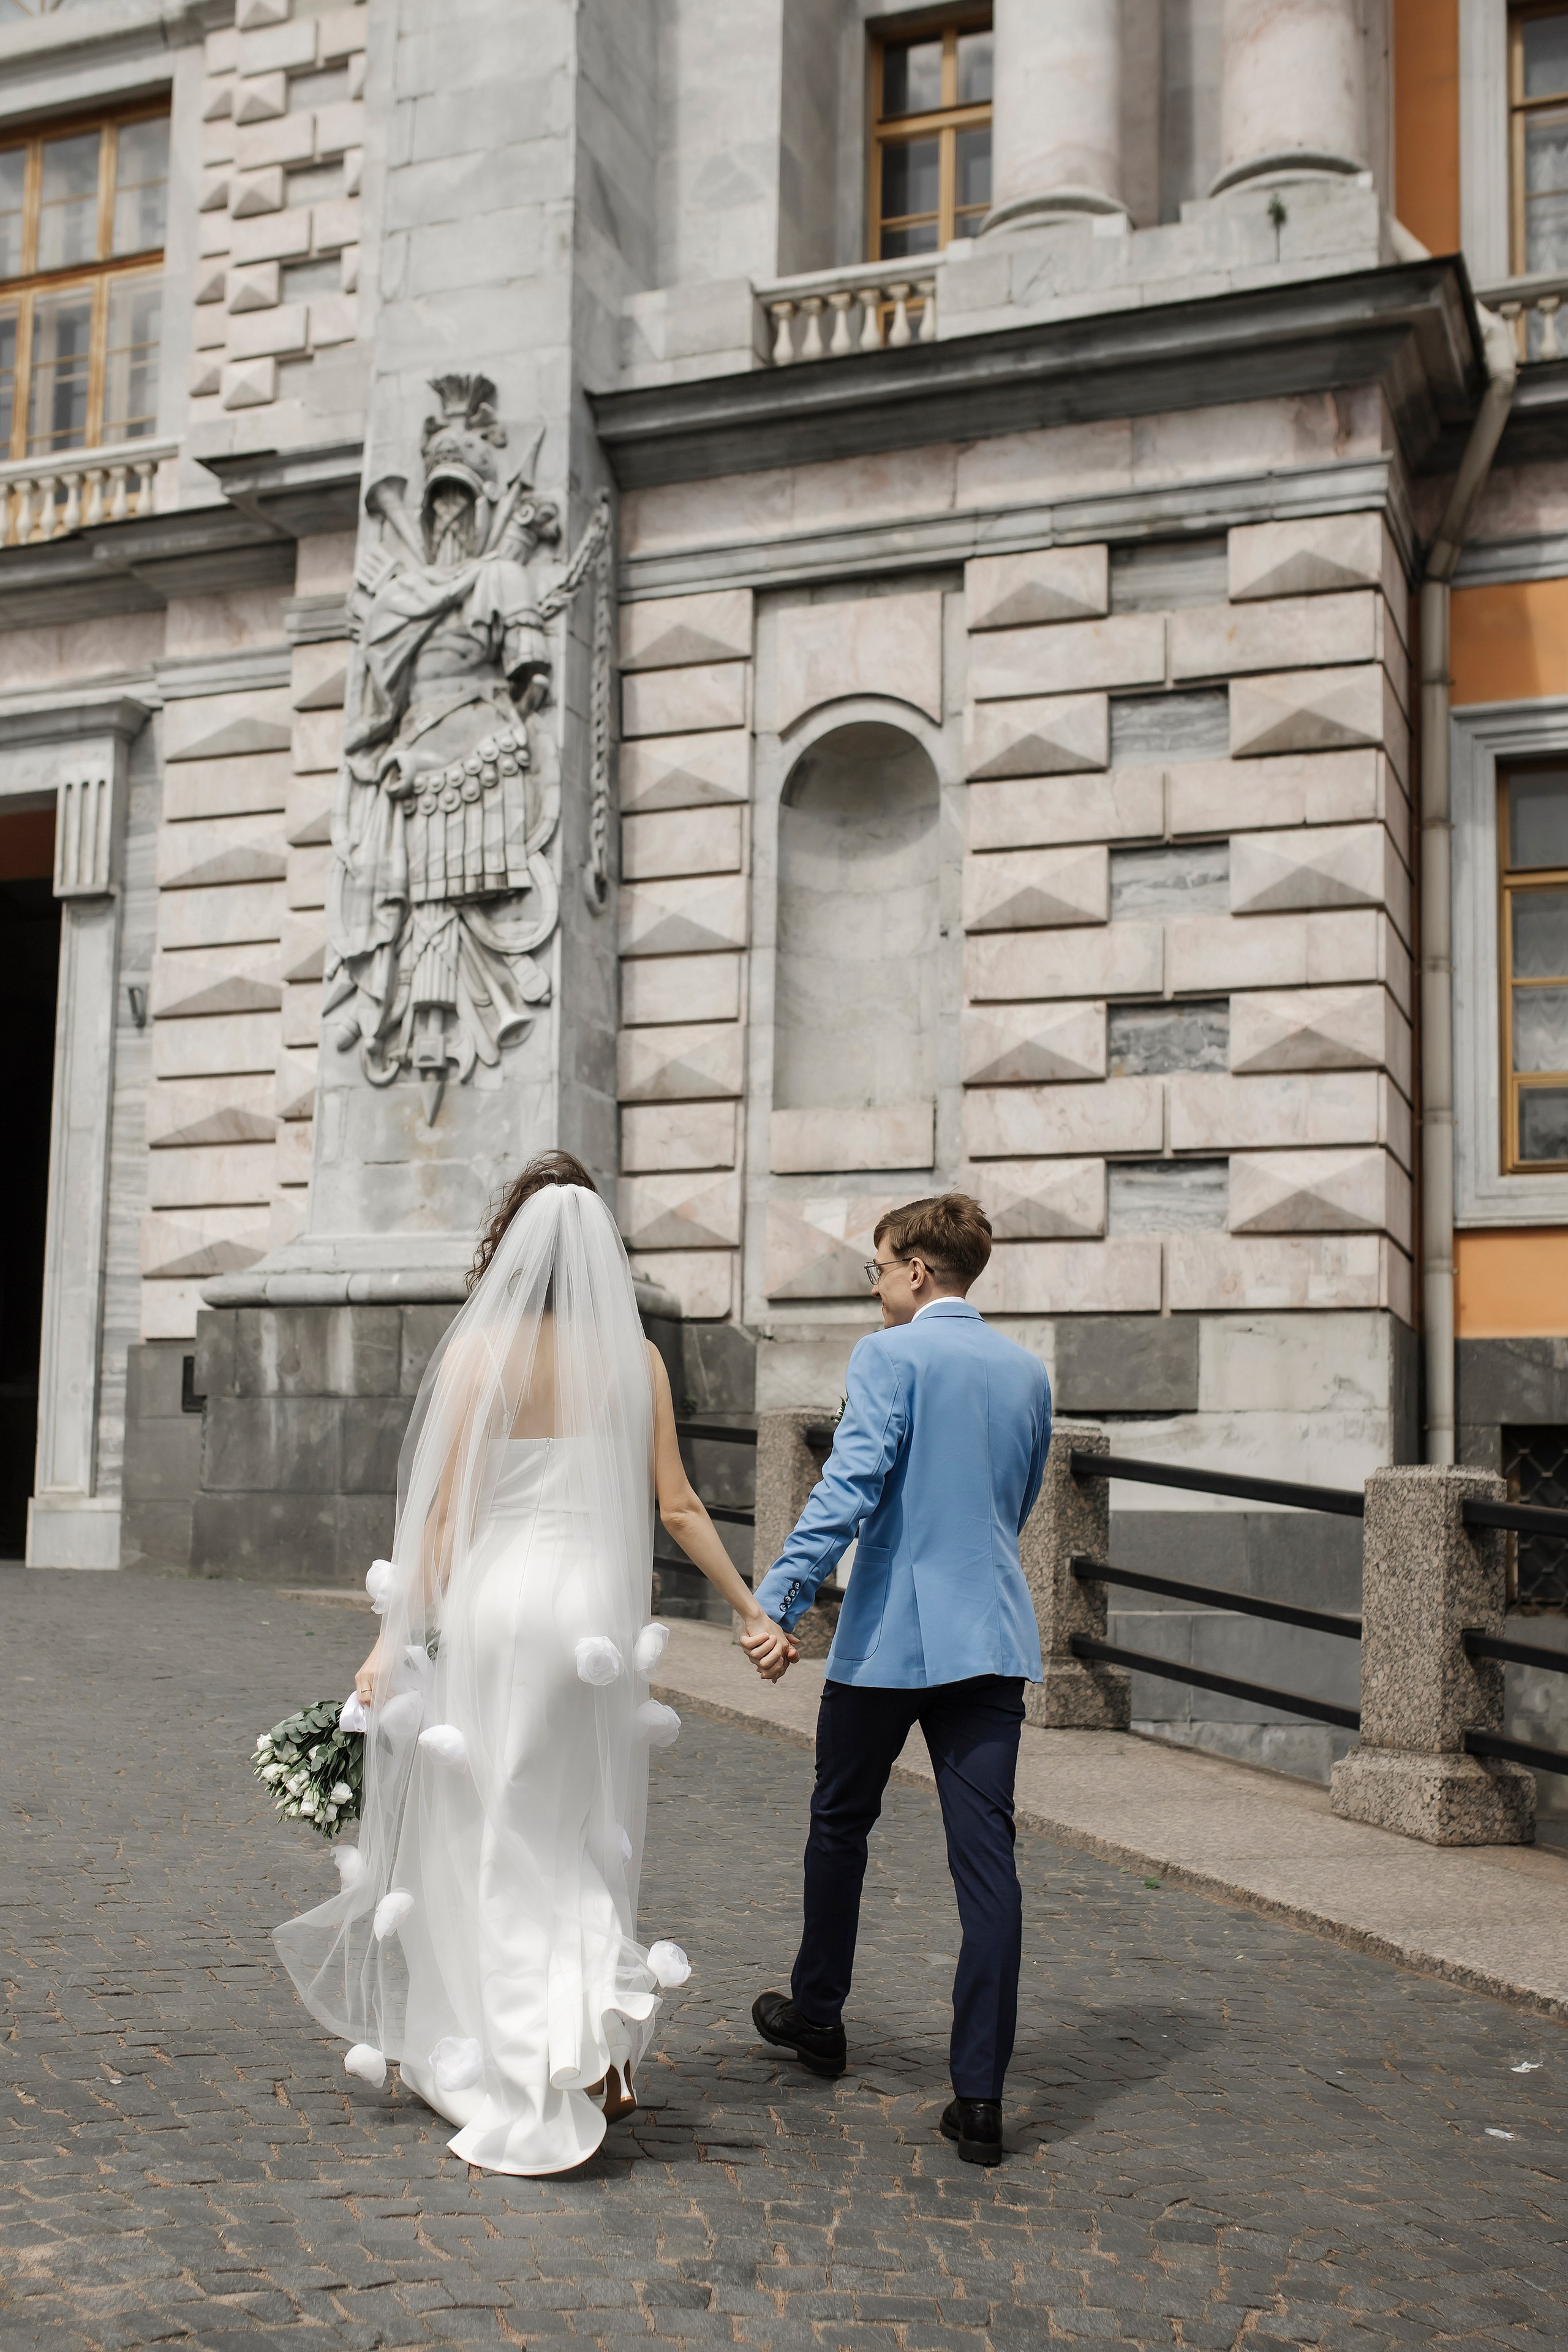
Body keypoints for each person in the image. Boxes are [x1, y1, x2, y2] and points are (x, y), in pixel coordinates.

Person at [273, 1151, 794, 2176]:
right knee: (568, 1831)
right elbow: (679, 1506)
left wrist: (388, 1639)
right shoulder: (636, 1360)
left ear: (509, 1247)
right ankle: (595, 2025)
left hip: (500, 1611)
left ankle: (529, 2070)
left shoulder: (485, 1353)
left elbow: (441, 1515)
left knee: (498, 1834)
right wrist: (752, 1610)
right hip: (589, 1627)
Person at [742, 1193, 1050, 2166]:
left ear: (919, 1271)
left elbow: (851, 1482)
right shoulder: (1028, 1373)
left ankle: (820, 2014)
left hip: (891, 1641)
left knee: (840, 1822)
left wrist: (781, 1600)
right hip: (991, 1639)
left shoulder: (891, 1356)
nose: (874, 1285)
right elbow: (1022, 1498)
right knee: (986, 1865)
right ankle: (982, 2096)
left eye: (878, 1267)